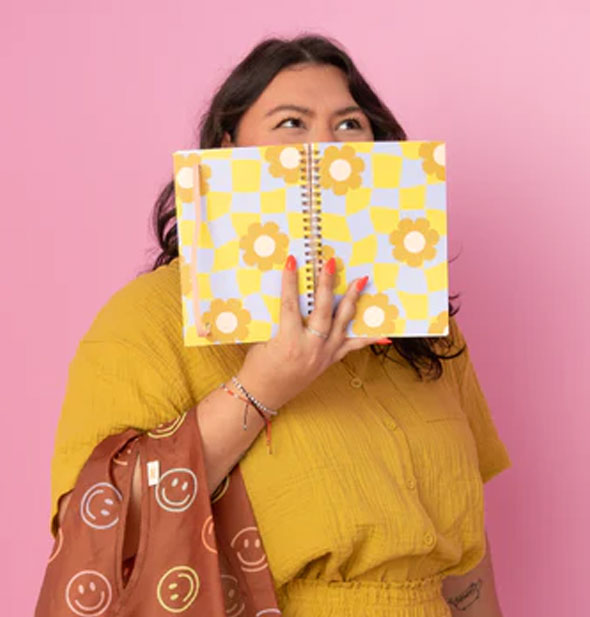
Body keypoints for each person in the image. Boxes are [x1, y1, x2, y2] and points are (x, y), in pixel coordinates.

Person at [49, 34, 511, 616]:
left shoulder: (424, 325)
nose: (325, 146)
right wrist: (264, 387)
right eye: (292, 123)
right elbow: (99, 519)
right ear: (227, 149)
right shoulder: (150, 318)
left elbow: (465, 552)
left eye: (348, 125)